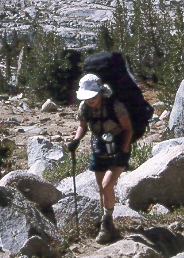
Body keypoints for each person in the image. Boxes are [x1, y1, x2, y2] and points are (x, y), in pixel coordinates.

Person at [66, 73, 133, 244]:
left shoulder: (115, 106)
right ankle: (107, 222)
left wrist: (123, 149)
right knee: (101, 188)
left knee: (107, 185)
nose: (91, 101)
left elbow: (128, 129)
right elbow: (82, 126)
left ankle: (107, 221)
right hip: (99, 148)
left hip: (118, 148)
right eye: (88, 98)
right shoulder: (84, 108)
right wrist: (76, 140)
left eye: (93, 97)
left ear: (100, 93)